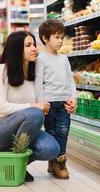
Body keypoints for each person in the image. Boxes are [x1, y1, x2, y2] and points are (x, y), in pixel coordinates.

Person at [0, 31, 61, 182]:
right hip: (0, 130)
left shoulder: (36, 74)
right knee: (34, 113)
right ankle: (15, 163)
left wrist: (66, 100)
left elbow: (44, 100)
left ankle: (12, 163)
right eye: (28, 45)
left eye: (34, 44)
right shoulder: (2, 70)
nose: (34, 48)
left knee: (52, 149)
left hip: (27, 130)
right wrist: (33, 106)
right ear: (16, 49)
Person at [35, 19, 77, 179]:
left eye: (62, 37)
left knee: (63, 131)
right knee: (52, 132)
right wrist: (42, 103)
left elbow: (70, 80)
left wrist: (73, 98)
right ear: (45, 38)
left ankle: (61, 162)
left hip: (64, 103)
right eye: (57, 37)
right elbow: (38, 84)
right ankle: (53, 162)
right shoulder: (41, 59)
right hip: (49, 104)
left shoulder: (64, 59)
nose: (60, 41)